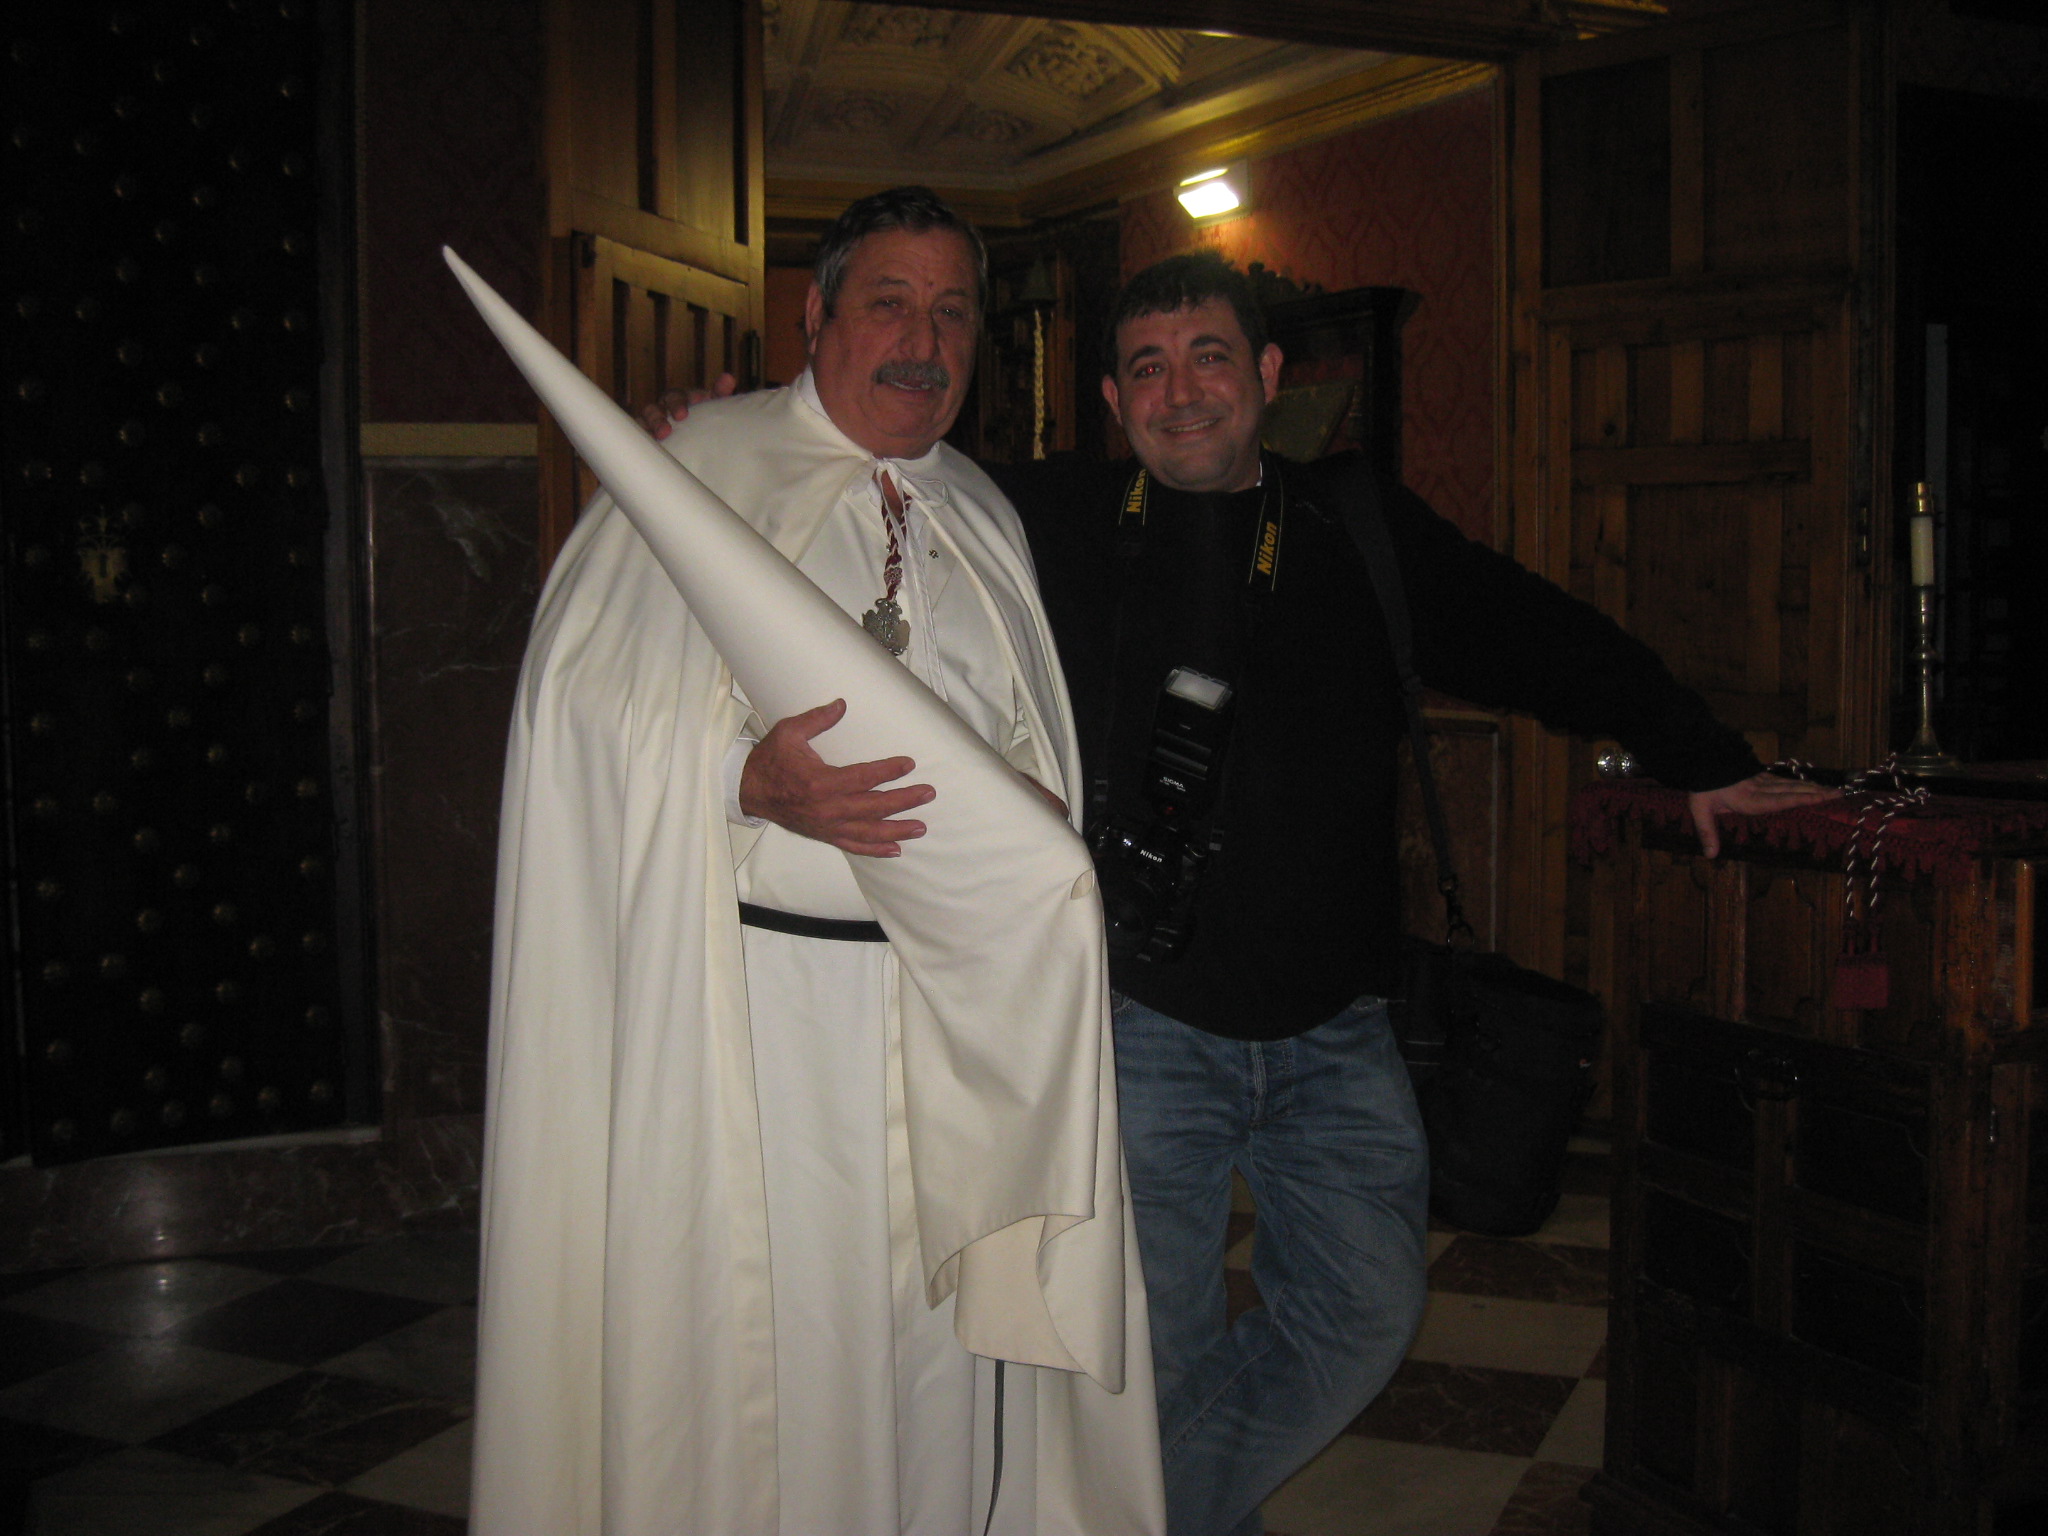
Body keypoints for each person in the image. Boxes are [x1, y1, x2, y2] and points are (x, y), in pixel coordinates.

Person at [647, 252, 1832, 1535]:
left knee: (1359, 1317)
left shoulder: (1357, 526)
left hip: (1336, 1028)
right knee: (1150, 1361)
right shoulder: (1041, 520)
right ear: (1112, 399)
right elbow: (859, 468)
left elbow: (1537, 633)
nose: (1181, 392)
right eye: (1147, 369)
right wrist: (729, 429)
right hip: (1139, 1025)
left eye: (1208, 357)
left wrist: (1698, 753)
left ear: (1266, 375)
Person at [474, 187, 1164, 1536]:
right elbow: (579, 707)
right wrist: (744, 779)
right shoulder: (701, 462)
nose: (924, 340)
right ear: (817, 314)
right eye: (889, 303)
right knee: (782, 1359)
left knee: (942, 1362)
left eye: (952, 312)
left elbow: (1030, 730)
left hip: (963, 1021)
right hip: (763, 1027)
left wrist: (1034, 808)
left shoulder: (983, 508)